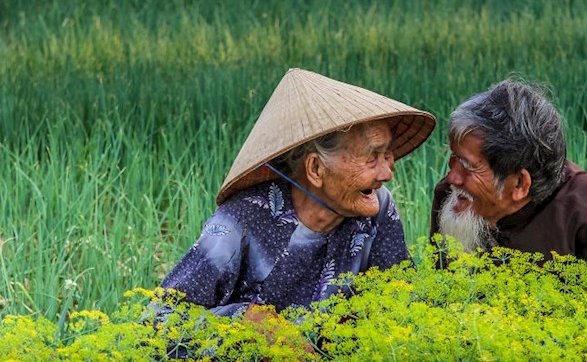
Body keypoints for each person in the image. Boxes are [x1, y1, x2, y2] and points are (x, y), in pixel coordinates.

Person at [160, 68, 436, 316]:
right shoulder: (241, 220)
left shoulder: (377, 207)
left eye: (387, 155)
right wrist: (246, 320)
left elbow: (402, 304)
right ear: (315, 168)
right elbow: (160, 322)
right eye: (371, 157)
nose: (386, 174)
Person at [430, 78, 587, 264]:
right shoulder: (452, 199)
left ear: (520, 184)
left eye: (468, 166)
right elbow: (441, 294)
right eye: (454, 159)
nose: (452, 177)